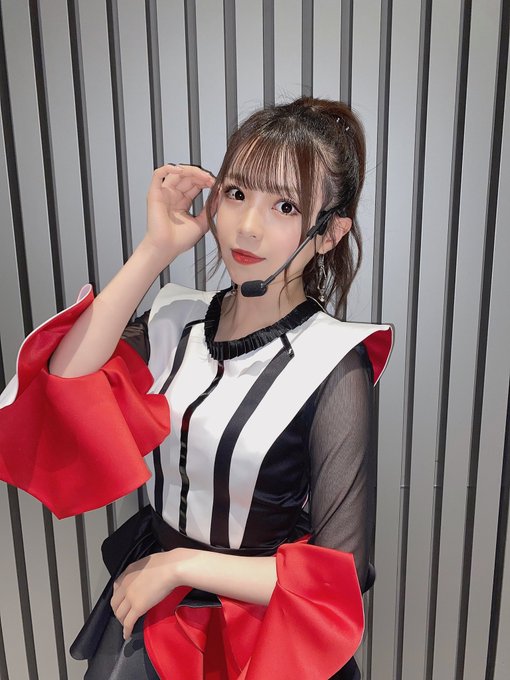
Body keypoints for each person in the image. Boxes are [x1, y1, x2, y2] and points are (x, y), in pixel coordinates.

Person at [0, 97, 392, 679]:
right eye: (236, 193)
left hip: (258, 628)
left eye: (284, 205)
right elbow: (63, 381)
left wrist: (181, 566)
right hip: (155, 607)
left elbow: (341, 572)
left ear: (330, 233)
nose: (248, 225)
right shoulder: (175, 318)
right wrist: (155, 249)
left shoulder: (334, 363)